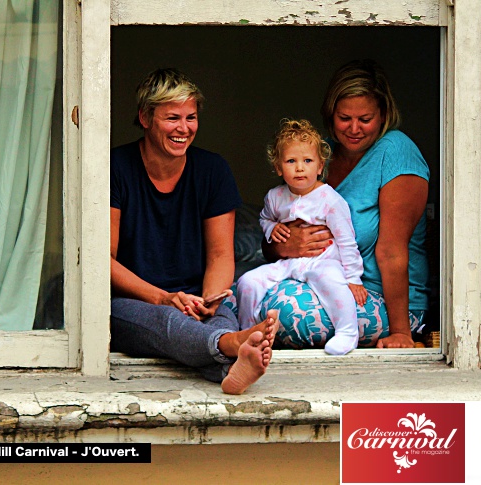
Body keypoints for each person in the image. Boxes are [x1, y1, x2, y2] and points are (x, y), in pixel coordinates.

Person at [110, 68, 279, 395]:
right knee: (168, 322)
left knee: (222, 316)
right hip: (133, 300)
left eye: (191, 117)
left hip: (197, 295)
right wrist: (164, 297)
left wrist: (210, 300)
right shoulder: (116, 167)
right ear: (145, 117)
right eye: (172, 118)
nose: (183, 128)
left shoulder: (212, 170)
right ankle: (231, 348)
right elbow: (105, 260)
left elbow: (220, 254)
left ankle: (231, 363)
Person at [262, 59, 430, 349]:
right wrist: (283, 244)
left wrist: (401, 333)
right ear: (330, 113)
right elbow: (273, 234)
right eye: (344, 118)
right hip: (314, 277)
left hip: (375, 296)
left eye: (365, 119)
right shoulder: (319, 154)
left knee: (286, 316)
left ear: (383, 114)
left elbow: (391, 251)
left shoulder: (396, 151)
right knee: (243, 293)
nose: (354, 129)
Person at [236, 119, 366, 356]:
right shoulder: (275, 196)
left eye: (307, 161)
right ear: (278, 167)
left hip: (322, 260)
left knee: (331, 281)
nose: (299, 168)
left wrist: (354, 278)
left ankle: (348, 332)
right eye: (290, 161)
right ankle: (247, 333)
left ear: (320, 166)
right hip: (288, 262)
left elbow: (347, 240)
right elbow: (265, 218)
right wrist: (271, 228)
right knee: (247, 282)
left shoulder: (330, 200)